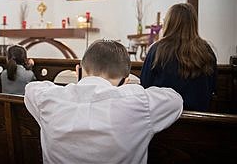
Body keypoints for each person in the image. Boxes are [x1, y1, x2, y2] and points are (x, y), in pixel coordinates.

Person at [24, 39, 183, 164]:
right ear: (125, 81)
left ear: (78, 71)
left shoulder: (49, 99)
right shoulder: (139, 103)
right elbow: (175, 99)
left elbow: (32, 87)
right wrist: (127, 90)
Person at [140, 3, 217, 112]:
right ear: (193, 23)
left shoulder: (157, 50)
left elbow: (145, 85)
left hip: (164, 119)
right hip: (199, 120)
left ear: (169, 23)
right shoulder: (206, 50)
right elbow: (213, 87)